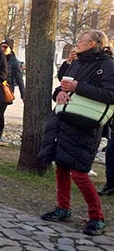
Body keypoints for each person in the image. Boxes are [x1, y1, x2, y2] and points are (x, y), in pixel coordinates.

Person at [38, 30, 114, 236]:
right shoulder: (78, 61)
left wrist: (78, 86)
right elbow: (63, 86)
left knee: (80, 172)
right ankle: (63, 208)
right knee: (61, 166)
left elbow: (110, 94)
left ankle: (97, 218)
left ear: (93, 44)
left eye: (82, 40)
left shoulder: (107, 64)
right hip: (64, 120)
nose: (78, 43)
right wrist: (59, 93)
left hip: (86, 124)